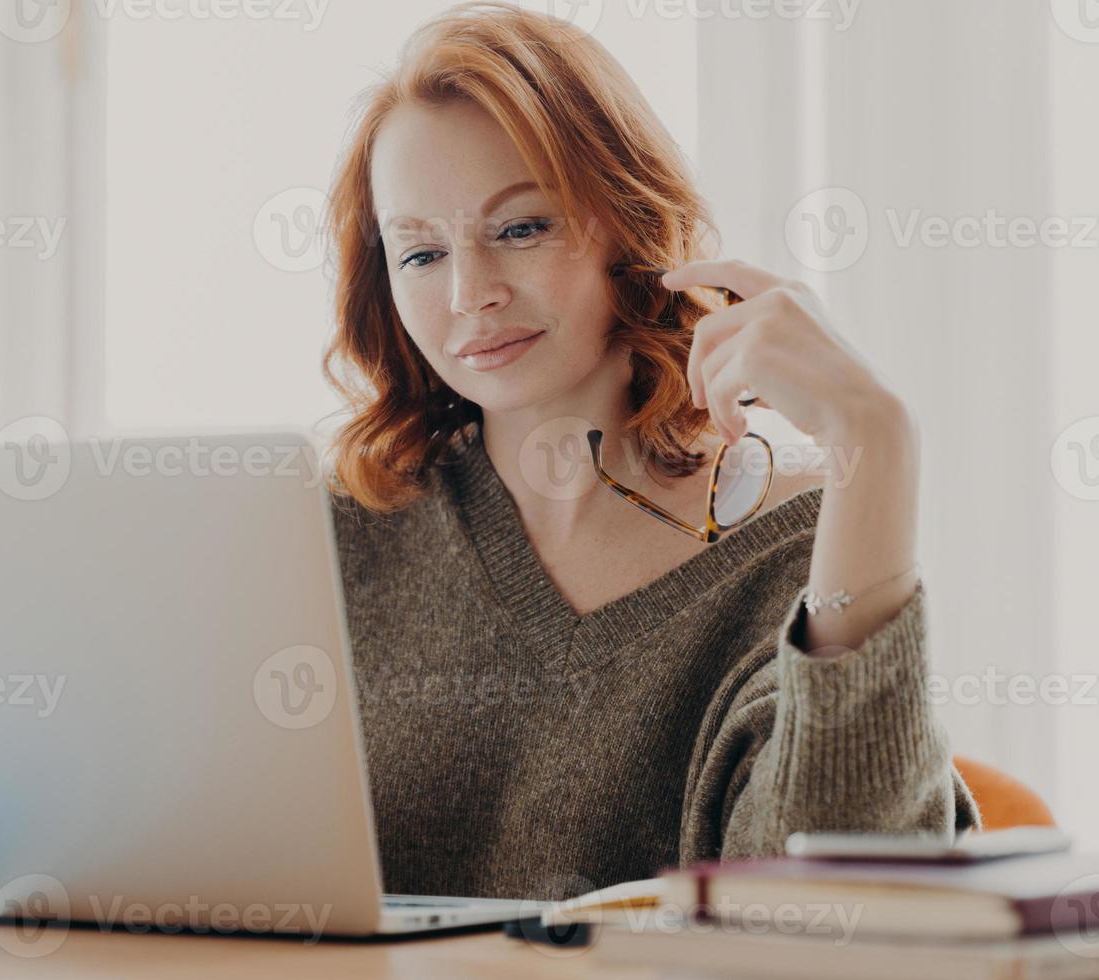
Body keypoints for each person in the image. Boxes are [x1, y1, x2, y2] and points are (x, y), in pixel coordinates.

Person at [319, 1, 979, 901]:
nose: (470, 295)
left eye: (521, 229)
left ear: (628, 222)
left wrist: (878, 444)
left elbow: (831, 922)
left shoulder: (799, 549)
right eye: (421, 254)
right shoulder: (338, 534)